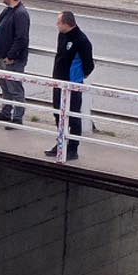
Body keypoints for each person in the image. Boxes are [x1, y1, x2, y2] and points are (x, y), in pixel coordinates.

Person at [49, 9, 95, 161]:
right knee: (58, 113)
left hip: (72, 83)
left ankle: (73, 148)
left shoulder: (81, 40)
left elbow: (89, 64)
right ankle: (61, 142)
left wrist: (79, 76)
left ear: (66, 23)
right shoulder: (61, 35)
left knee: (73, 116)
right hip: (58, 81)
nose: (57, 25)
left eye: (58, 22)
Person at [0, 0, 30, 123]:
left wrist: (12, 55)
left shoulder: (20, 13)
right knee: (5, 85)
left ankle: (17, 117)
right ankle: (6, 112)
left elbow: (21, 37)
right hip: (4, 55)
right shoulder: (9, 11)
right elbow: (10, 30)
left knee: (14, 87)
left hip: (13, 59)